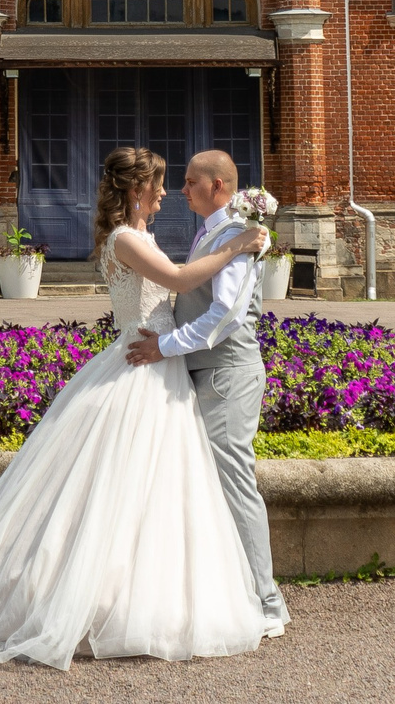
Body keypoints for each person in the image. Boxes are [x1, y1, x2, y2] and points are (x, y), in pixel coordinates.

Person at [0, 147, 276, 668]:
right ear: (136, 190)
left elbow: (193, 292)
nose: (168, 192)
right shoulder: (127, 239)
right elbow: (182, 282)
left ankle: (151, 591)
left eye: (176, 182)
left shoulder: (143, 236)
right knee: (120, 488)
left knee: (152, 488)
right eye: (160, 184)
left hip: (163, 370)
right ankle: (105, 600)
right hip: (145, 367)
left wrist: (239, 245)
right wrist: (241, 244)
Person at [126, 149, 291, 634]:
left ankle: (267, 603)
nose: (181, 189)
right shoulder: (215, 233)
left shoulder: (236, 236)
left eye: (190, 182)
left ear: (217, 186)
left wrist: (166, 348)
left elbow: (227, 314)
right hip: (203, 374)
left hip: (227, 374)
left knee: (234, 484)